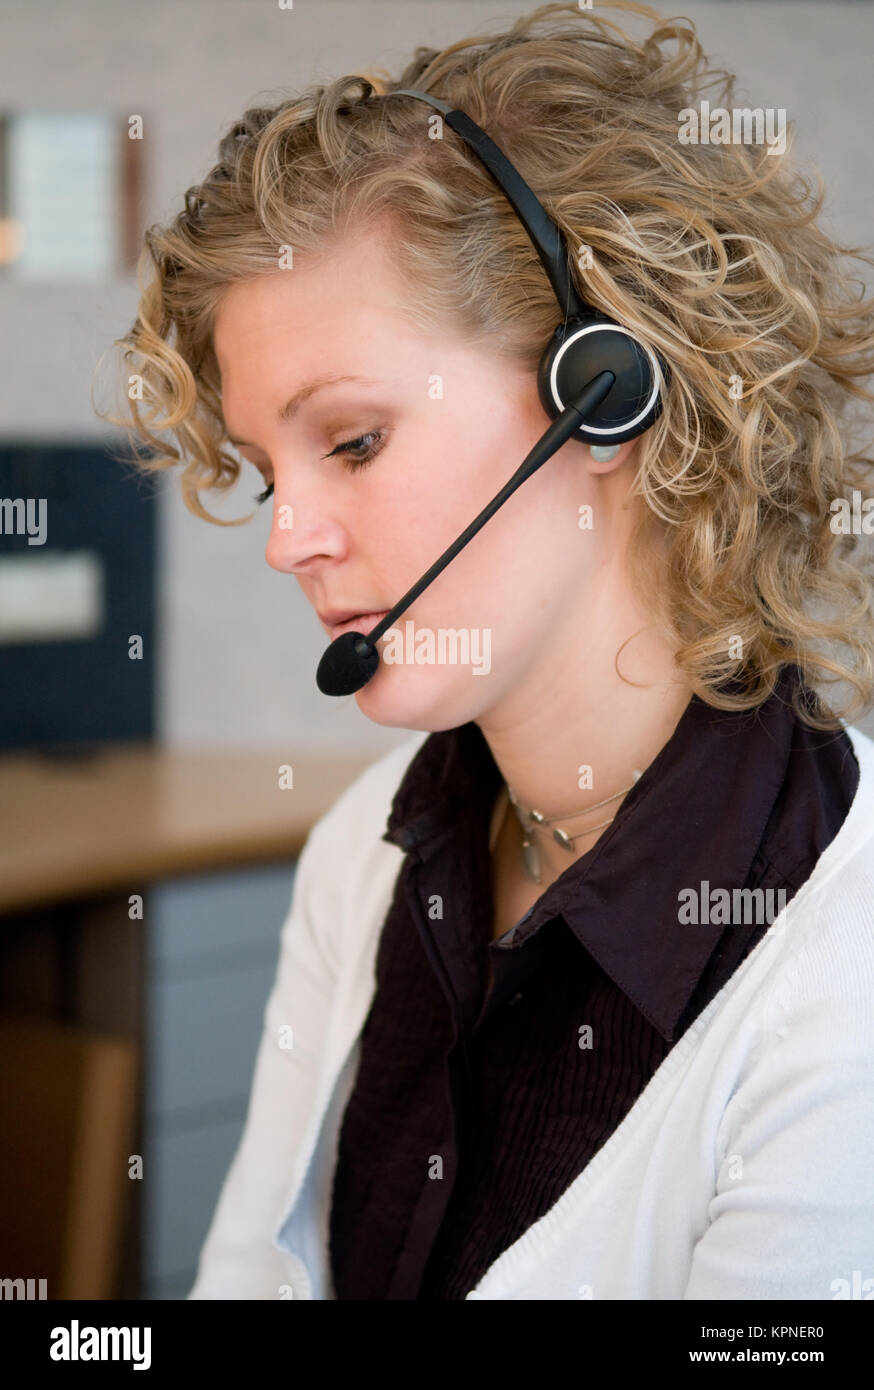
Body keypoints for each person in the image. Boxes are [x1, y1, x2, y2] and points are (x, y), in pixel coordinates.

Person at [103, 1, 874, 1299]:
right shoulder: (363, 852)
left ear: (604, 393)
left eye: (350, 441)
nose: (288, 538)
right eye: (262, 470)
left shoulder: (843, 976)